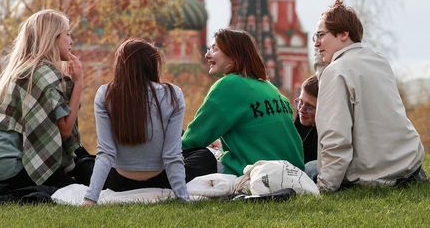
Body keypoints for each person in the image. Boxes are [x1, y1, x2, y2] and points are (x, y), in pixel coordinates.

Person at [313, 0, 426, 191]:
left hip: (375, 175)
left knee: (305, 169)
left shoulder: (337, 72)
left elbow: (335, 138)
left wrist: (324, 187)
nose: (316, 44)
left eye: (321, 35)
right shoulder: (378, 60)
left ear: (343, 34)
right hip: (409, 166)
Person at [0, 9, 84, 189]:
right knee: (76, 190)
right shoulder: (42, 74)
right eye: (67, 34)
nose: (71, 40)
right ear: (52, 37)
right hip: (4, 166)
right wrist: (78, 83)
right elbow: (66, 130)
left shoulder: (22, 70)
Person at [181, 28, 304, 177]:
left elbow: (192, 140)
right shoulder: (269, 88)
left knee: (199, 158)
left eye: (215, 49)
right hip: (294, 174)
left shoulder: (229, 85)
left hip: (257, 175)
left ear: (234, 56)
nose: (207, 55)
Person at [83, 39, 189, 205]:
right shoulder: (173, 94)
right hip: (162, 180)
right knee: (202, 155)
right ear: (152, 65)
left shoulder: (105, 94)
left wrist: (90, 198)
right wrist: (183, 198)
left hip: (118, 183)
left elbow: (106, 152)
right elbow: (172, 155)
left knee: (83, 161)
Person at [294, 75, 319, 179]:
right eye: (300, 102)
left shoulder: (326, 133)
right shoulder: (297, 124)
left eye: (309, 107)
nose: (302, 109)